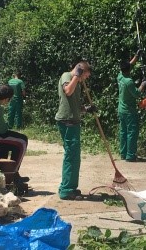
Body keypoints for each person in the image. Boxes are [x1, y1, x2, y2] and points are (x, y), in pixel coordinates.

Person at [55, 60, 94, 200]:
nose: (85, 79)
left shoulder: (76, 82)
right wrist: (77, 76)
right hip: (67, 121)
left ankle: (71, 187)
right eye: (85, 76)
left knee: (74, 156)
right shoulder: (67, 76)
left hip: (74, 121)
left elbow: (74, 103)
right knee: (71, 156)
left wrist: (86, 109)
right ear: (80, 71)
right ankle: (66, 190)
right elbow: (68, 91)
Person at [117, 51, 146, 162]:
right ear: (128, 70)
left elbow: (129, 65)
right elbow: (136, 94)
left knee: (123, 131)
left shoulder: (120, 76)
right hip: (129, 111)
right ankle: (130, 155)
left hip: (121, 110)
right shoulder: (128, 81)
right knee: (131, 132)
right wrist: (142, 85)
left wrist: (136, 56)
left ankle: (123, 153)